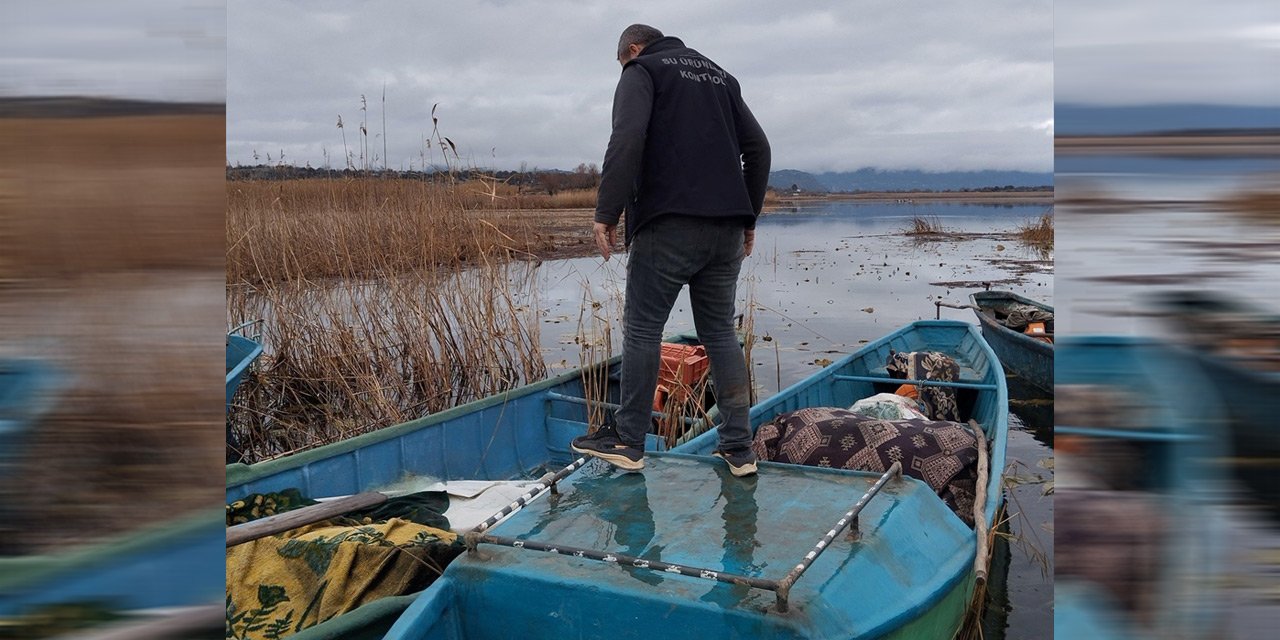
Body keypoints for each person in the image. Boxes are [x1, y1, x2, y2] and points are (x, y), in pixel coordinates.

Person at [571, 24, 771, 477]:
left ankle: (627, 440)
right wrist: (748, 215)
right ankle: (739, 449)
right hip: (725, 229)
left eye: (621, 63)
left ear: (633, 50)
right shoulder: (721, 77)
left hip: (668, 225)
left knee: (642, 329)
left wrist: (608, 210)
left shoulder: (642, 70)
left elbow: (627, 137)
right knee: (719, 332)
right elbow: (759, 149)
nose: (624, 70)